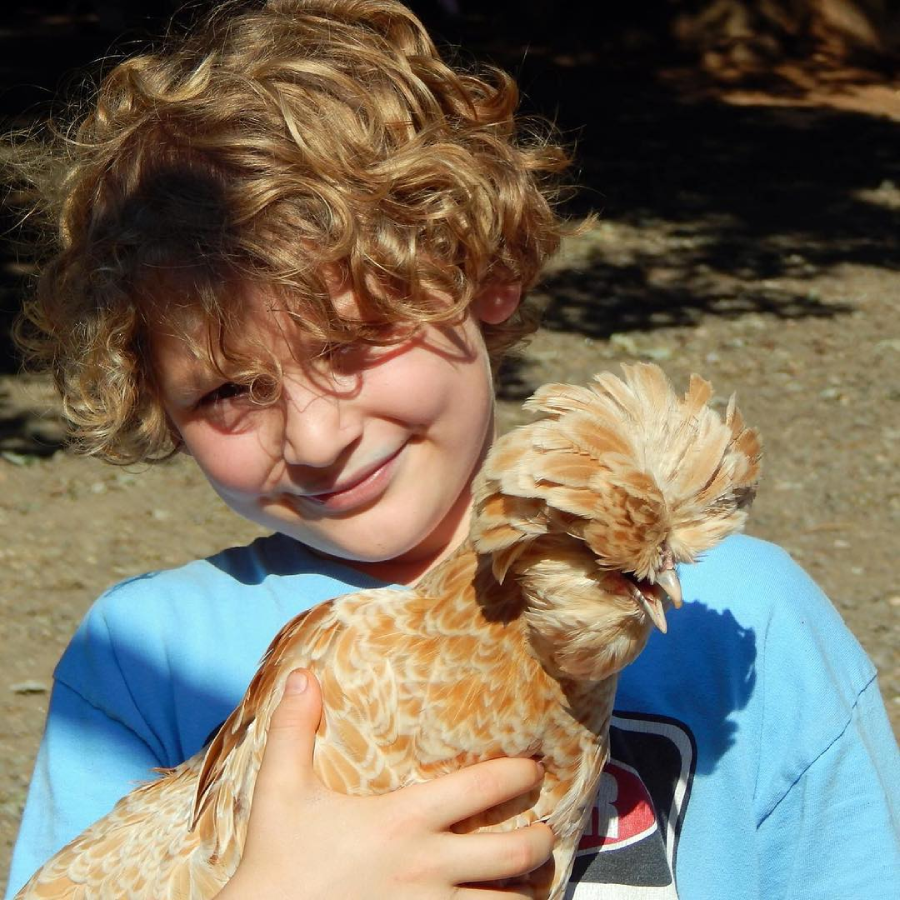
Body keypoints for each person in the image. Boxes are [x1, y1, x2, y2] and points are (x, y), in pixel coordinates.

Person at [5, 1, 899, 897]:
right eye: (232, 390)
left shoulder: (734, 618)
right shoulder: (144, 658)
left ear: (487, 274)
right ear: (157, 398)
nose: (317, 438)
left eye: (353, 343)